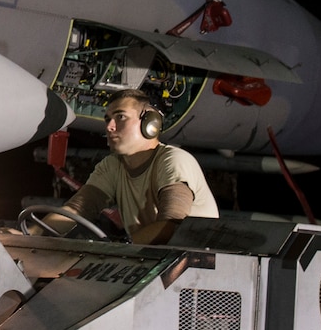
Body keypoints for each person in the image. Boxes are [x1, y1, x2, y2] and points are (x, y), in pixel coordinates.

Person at [50, 90, 219, 244]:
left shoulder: (173, 160)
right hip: (154, 261)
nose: (110, 127)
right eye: (108, 119)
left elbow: (171, 225)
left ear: (150, 124)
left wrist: (121, 249)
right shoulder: (112, 165)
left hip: (197, 267)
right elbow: (77, 209)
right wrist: (29, 236)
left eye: (120, 117)